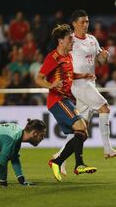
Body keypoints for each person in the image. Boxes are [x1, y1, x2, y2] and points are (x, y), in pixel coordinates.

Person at [54, 10, 116, 170]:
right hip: (79, 84)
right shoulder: (71, 41)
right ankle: (107, 148)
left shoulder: (92, 39)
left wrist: (104, 57)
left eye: (87, 22)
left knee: (81, 130)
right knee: (104, 107)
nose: (85, 24)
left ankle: (59, 158)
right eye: (82, 22)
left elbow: (100, 60)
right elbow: (62, 63)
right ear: (74, 24)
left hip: (90, 83)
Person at [35, 24, 97, 182]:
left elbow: (69, 75)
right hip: (57, 100)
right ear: (61, 40)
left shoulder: (68, 56)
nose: (73, 41)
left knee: (82, 134)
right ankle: (79, 165)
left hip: (66, 100)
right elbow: (38, 78)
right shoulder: (53, 57)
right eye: (70, 38)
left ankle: (57, 162)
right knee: (81, 127)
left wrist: (83, 75)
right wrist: (51, 85)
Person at [0, 119, 46, 187]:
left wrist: (21, 179)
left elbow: (14, 157)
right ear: (34, 133)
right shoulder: (12, 139)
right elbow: (1, 162)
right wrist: (3, 182)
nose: (43, 138)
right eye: (42, 135)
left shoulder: (18, 133)